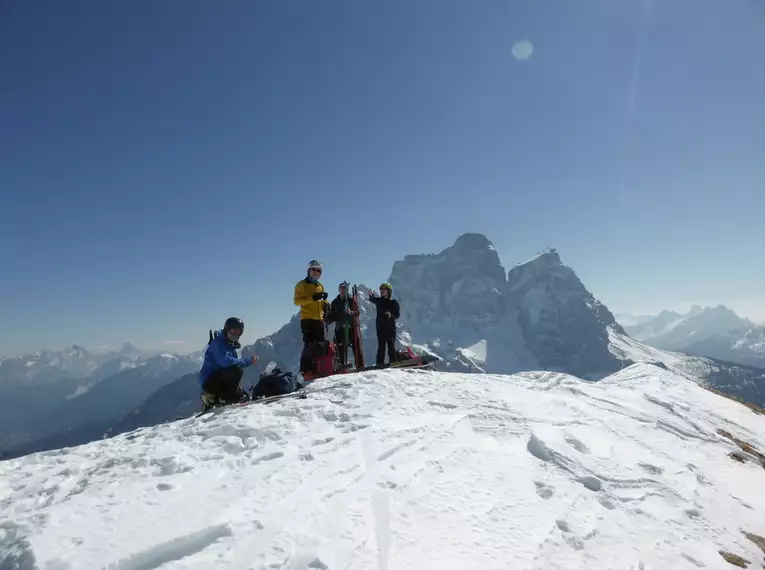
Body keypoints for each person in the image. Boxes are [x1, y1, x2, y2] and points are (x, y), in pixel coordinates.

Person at [199, 317, 258, 409]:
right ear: (226, 330)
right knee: (237, 370)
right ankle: (221, 398)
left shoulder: (228, 344)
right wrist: (247, 361)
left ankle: (214, 398)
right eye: (232, 331)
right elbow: (226, 362)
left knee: (240, 393)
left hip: (216, 379)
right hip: (210, 382)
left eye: (238, 332)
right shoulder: (219, 343)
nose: (235, 335)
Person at [294, 259, 330, 380]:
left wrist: (326, 301)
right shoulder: (301, 285)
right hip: (307, 319)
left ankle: (317, 370)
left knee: (319, 345)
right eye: (313, 269)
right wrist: (312, 298)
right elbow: (297, 301)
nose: (316, 272)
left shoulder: (320, 286)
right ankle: (306, 372)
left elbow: (321, 302)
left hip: (319, 319)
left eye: (318, 270)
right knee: (309, 345)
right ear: (309, 270)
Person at [327, 281, 358, 369]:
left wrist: (352, 312)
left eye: (345, 288)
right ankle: (341, 365)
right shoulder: (335, 302)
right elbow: (332, 315)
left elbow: (357, 313)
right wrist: (327, 319)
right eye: (342, 289)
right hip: (339, 328)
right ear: (339, 290)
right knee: (340, 347)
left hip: (351, 327)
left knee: (356, 345)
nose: (343, 290)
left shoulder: (351, 300)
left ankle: (359, 364)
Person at [368, 282, 400, 367]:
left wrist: (391, 315)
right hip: (380, 328)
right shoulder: (379, 301)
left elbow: (397, 315)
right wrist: (371, 295)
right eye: (381, 289)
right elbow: (372, 299)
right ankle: (379, 365)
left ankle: (394, 364)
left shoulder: (394, 303)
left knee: (391, 348)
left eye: (384, 289)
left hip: (390, 329)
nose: (382, 291)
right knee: (381, 348)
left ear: (389, 291)